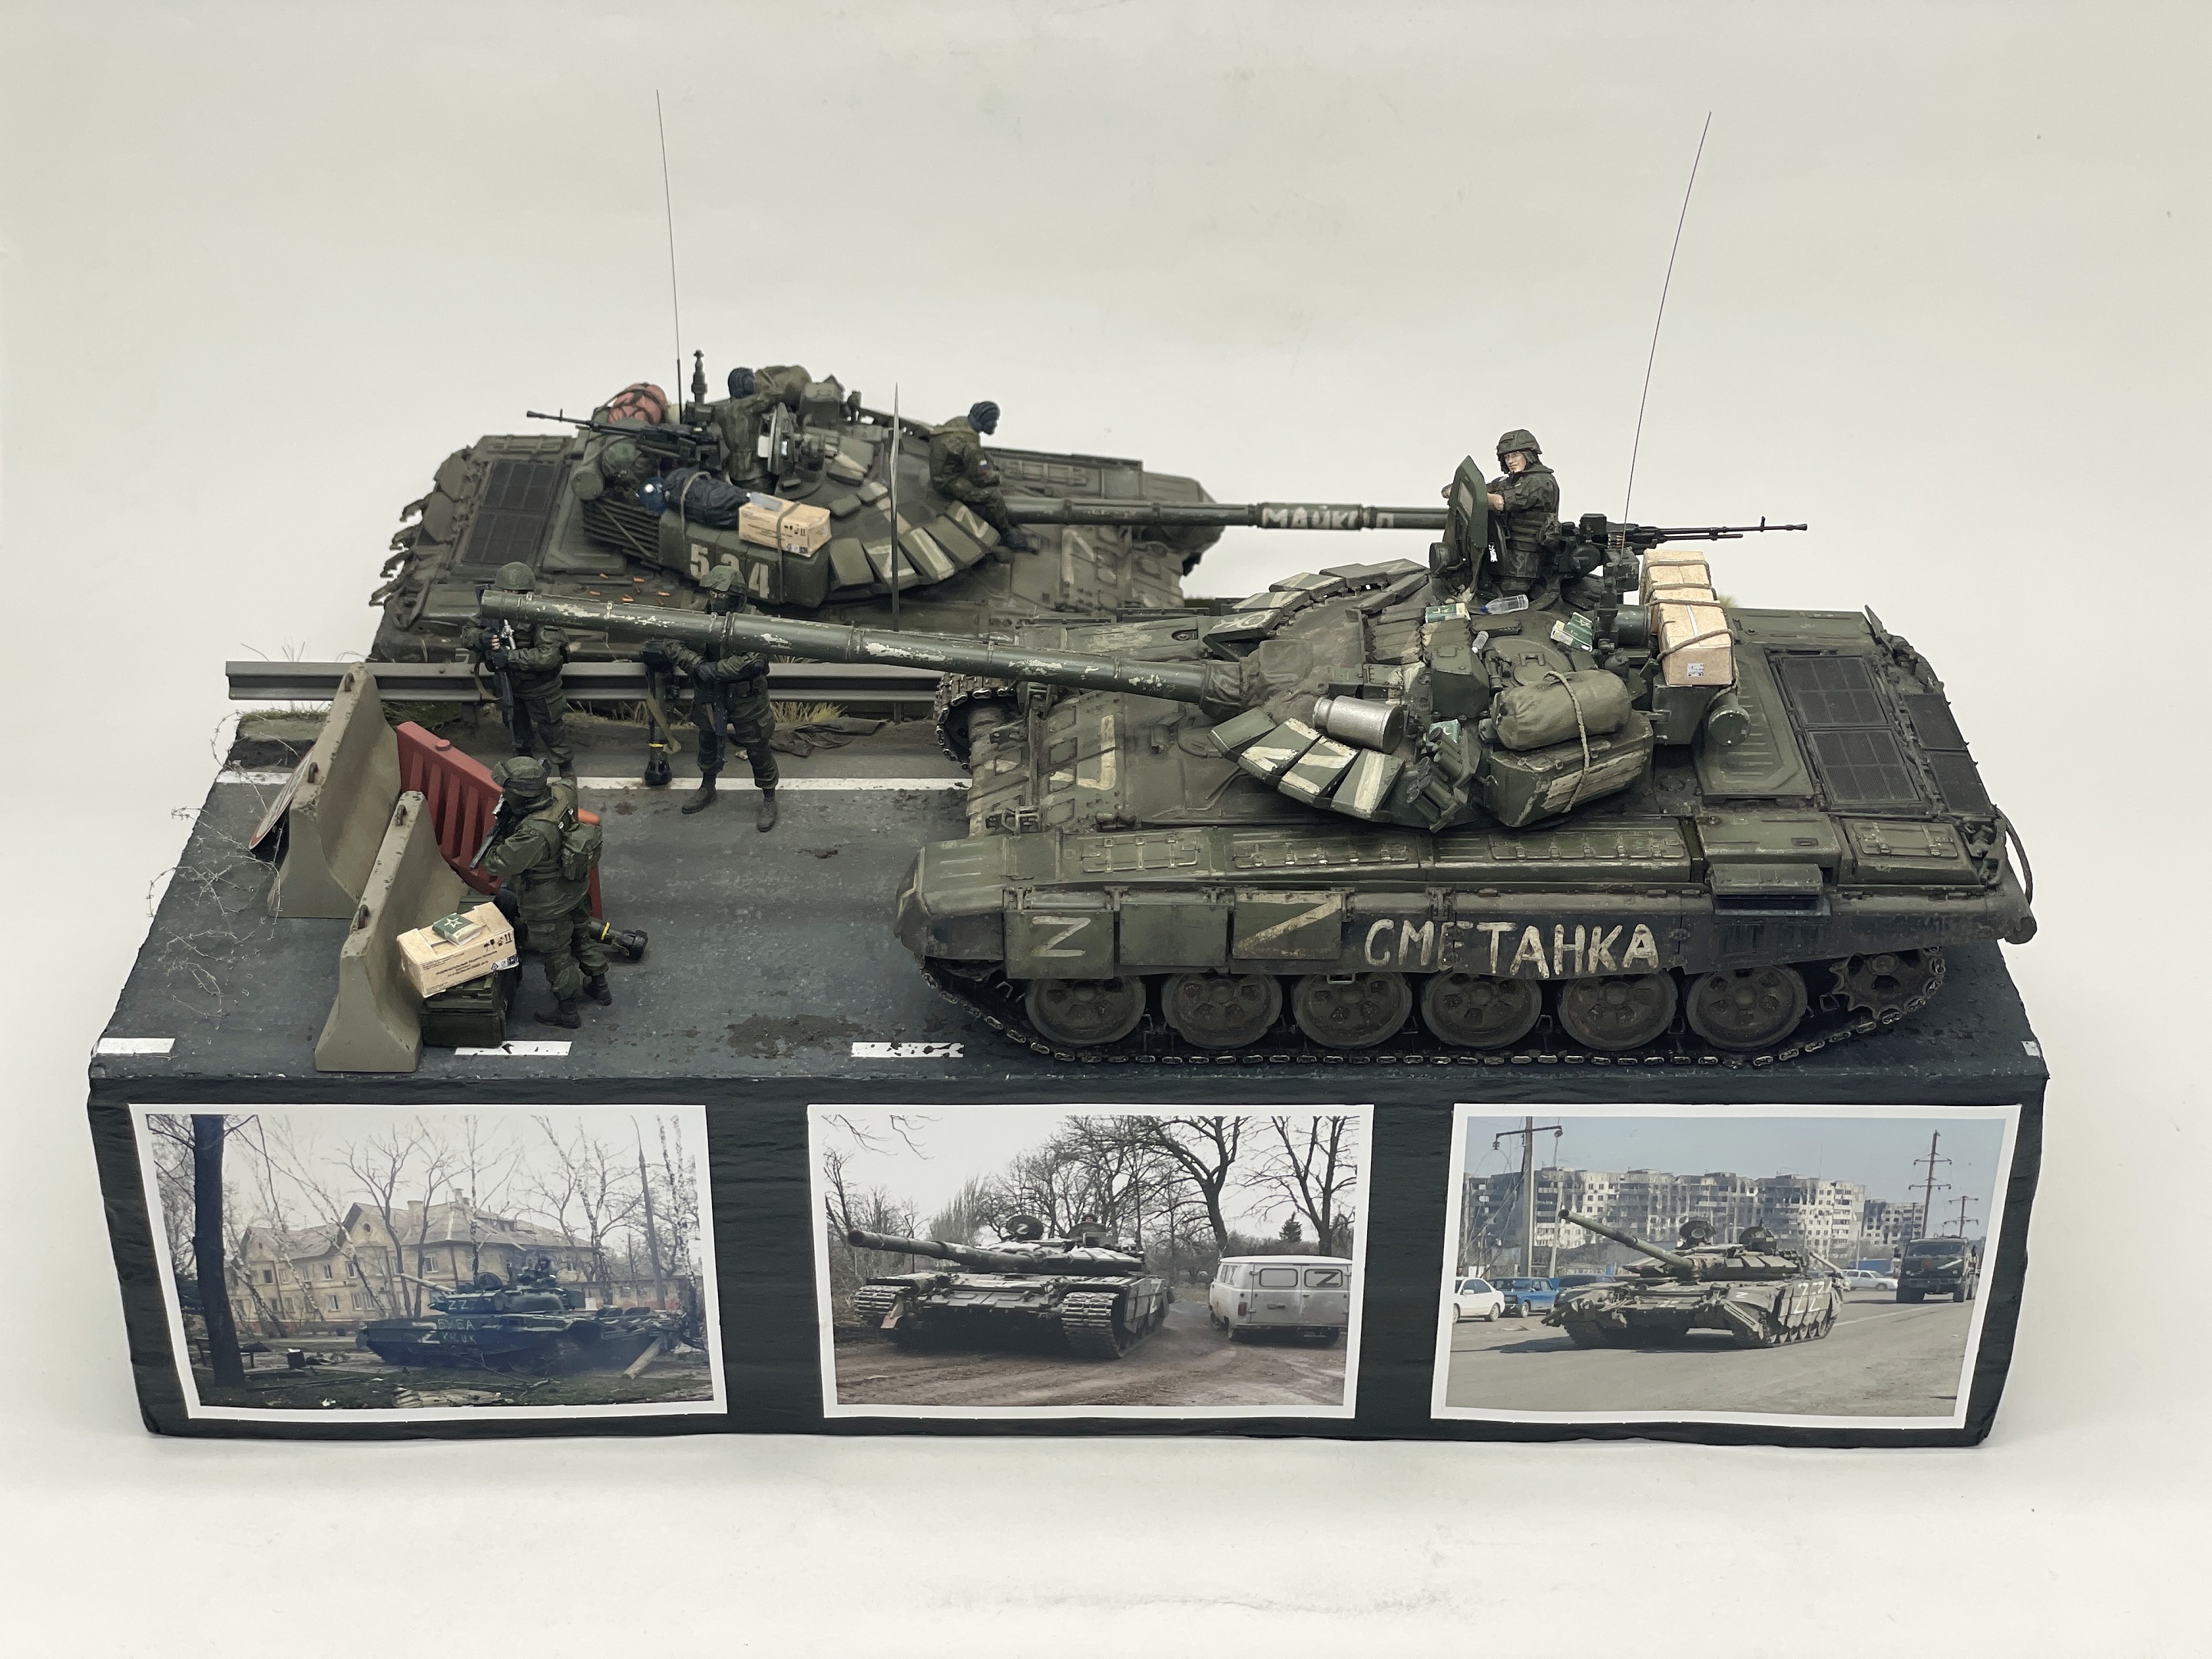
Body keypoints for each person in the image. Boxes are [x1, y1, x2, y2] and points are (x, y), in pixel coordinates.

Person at [644, 565, 780, 830]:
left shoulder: (754, 619)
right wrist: (696, 665)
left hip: (746, 696)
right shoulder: (697, 613)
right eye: (712, 593)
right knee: (707, 741)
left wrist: (715, 670)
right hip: (709, 692)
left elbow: (756, 659)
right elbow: (672, 642)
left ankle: (769, 796)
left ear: (736, 594)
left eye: (721, 594)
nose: (715, 598)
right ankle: (708, 786)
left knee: (757, 745)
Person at [478, 757, 610, 1028]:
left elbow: (495, 863)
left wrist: (501, 835)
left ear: (522, 794)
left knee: (557, 956)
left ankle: (568, 1010)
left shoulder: (533, 833)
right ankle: (600, 987)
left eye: (508, 790)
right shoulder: (563, 792)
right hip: (574, 886)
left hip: (547, 902)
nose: (504, 793)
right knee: (582, 937)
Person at [464, 563, 574, 777]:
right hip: (508, 684)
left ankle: (565, 769)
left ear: (526, 593)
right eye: (505, 591)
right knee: (516, 728)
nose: (510, 596)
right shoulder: (493, 609)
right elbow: (468, 634)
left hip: (540, 685)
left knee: (552, 730)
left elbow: (547, 656)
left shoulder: (540, 613)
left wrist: (510, 658)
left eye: (516, 592)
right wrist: (482, 638)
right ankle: (524, 767)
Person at [929, 400, 1034, 552]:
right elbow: (981, 478)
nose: (995, 425)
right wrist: (996, 477)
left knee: (985, 459)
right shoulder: (971, 447)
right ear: (985, 420)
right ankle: (1005, 533)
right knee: (993, 496)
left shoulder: (961, 423)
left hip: (947, 469)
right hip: (947, 482)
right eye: (994, 421)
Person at [1485, 429, 1561, 598]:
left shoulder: (1540, 482)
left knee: (1509, 598)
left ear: (1529, 454)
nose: (1511, 461)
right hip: (1504, 553)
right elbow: (1488, 488)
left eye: (1516, 455)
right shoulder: (1511, 480)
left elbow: (1500, 502)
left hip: (1525, 559)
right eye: (1507, 457)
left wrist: (1476, 497)